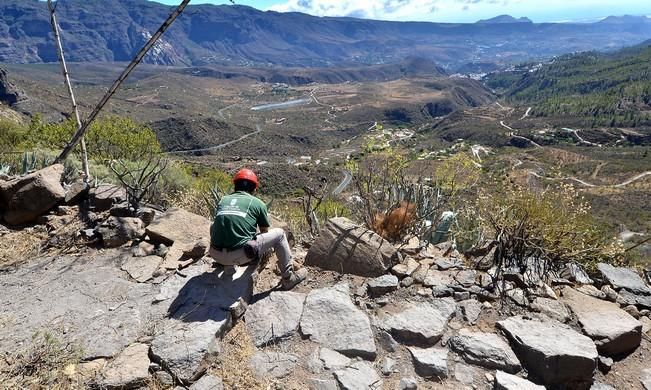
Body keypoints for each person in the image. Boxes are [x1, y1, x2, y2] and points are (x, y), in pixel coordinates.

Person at [209, 168, 307, 290]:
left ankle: (227, 266)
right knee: (280, 234)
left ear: (235, 185)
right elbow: (264, 232)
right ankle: (288, 278)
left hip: (215, 254)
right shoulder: (258, 203)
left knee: (214, 225)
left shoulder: (223, 200)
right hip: (241, 256)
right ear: (255, 188)